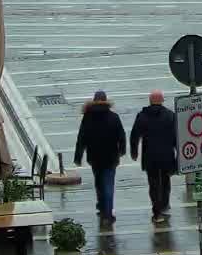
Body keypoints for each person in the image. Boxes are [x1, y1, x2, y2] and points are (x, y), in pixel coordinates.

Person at [74, 91, 127, 228]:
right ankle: (107, 215)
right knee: (108, 185)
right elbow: (121, 135)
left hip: (95, 157)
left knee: (99, 182)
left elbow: (82, 137)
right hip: (111, 157)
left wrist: (78, 156)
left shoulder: (87, 117)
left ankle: (102, 207)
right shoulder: (114, 117)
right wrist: (122, 150)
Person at [129, 90, 178, 224]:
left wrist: (134, 152)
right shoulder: (170, 115)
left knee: (154, 184)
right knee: (166, 182)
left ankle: (157, 213)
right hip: (167, 156)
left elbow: (134, 136)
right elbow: (176, 137)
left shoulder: (142, 116)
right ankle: (164, 205)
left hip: (150, 157)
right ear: (162, 101)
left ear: (150, 101)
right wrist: (179, 153)